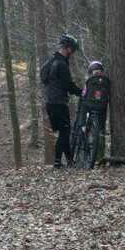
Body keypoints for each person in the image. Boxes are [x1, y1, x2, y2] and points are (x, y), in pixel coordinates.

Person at [42, 33, 83, 169]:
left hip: (49, 102)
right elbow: (68, 85)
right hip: (59, 102)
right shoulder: (61, 64)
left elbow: (43, 79)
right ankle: (58, 162)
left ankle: (70, 161)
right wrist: (81, 92)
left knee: (63, 131)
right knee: (65, 132)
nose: (73, 53)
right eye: (73, 50)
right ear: (68, 48)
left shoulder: (50, 61)